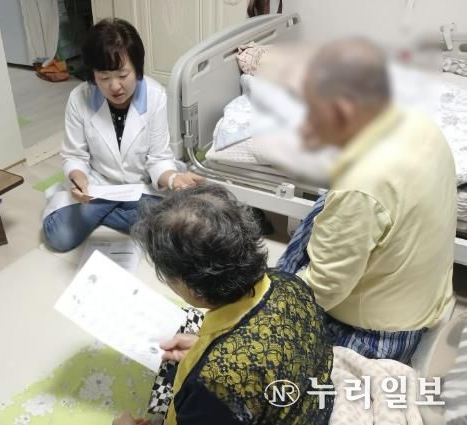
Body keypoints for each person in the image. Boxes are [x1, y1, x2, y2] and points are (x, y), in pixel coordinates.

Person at [292, 38, 457, 363]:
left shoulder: (361, 183)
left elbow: (323, 287)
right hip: (422, 299)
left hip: (377, 334)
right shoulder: (419, 123)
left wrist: (267, 303)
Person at [114, 184, 334, 425]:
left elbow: (227, 387)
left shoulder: (213, 386)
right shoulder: (288, 283)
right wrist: (205, 348)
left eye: (168, 277)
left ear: (192, 286)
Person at [43, 18, 203, 252]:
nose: (115, 86)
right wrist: (79, 179)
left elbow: (158, 159)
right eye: (104, 77)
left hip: (140, 187)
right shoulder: (79, 98)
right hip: (98, 187)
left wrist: (173, 179)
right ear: (93, 75)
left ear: (137, 69)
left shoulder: (156, 96)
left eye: (122, 74)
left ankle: (105, 215)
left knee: (175, 231)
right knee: (59, 236)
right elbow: (74, 155)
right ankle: (122, 215)